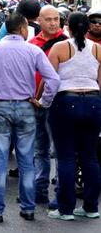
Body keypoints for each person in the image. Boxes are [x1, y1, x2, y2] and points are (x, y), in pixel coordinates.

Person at [0, 12, 60, 223]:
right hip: (27, 108)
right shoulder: (33, 51)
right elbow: (53, 80)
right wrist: (43, 102)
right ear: (22, 29)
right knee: (27, 160)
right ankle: (28, 209)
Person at [47, 12, 101, 221]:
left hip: (66, 101)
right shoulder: (98, 49)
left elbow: (51, 81)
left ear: (67, 26)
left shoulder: (60, 47)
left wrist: (43, 102)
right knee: (90, 158)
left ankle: (65, 209)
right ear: (88, 28)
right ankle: (90, 207)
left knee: (67, 157)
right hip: (94, 102)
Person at [27, 5, 68, 205]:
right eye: (49, 19)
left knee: (60, 150)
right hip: (34, 103)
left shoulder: (67, 44)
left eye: (56, 19)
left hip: (58, 103)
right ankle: (39, 190)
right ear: (39, 21)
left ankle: (60, 193)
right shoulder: (32, 44)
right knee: (39, 149)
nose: (53, 23)